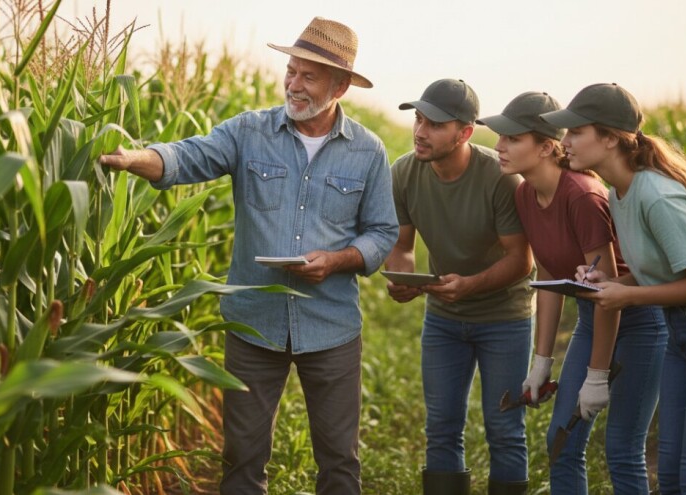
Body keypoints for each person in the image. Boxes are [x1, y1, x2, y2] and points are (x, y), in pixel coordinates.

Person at [100, 17, 399, 495]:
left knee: (340, 461)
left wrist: (338, 260)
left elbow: (383, 232)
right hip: (254, 324)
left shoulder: (368, 151)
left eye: (309, 76)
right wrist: (137, 158)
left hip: (331, 326)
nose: (293, 84)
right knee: (241, 459)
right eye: (291, 71)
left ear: (340, 85)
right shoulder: (249, 132)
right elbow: (189, 156)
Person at [540, 83, 686, 494]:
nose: (565, 143)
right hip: (682, 336)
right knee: (669, 478)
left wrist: (628, 295)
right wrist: (612, 281)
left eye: (575, 132)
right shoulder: (621, 191)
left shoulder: (656, 195)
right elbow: (668, 270)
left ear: (611, 137)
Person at [477, 91, 667, 494]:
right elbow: (548, 274)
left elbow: (609, 289)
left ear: (547, 147)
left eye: (511, 138)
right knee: (561, 441)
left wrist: (596, 376)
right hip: (589, 318)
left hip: (636, 320)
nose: (499, 146)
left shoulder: (582, 195)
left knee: (622, 449)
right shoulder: (525, 193)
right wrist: (541, 362)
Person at [385, 78, 535, 495]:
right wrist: (401, 278)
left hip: (504, 319)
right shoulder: (403, 172)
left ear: (465, 132)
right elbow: (402, 247)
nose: (420, 131)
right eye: (418, 119)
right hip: (444, 319)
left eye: (434, 123)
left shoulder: (500, 178)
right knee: (441, 427)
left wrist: (470, 285)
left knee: (504, 428)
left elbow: (521, 260)